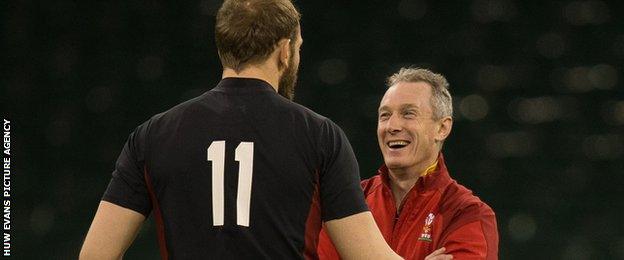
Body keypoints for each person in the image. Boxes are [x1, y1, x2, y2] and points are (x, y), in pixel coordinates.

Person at [79, 0, 401, 259]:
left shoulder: (151, 136)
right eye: (299, 46)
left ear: (223, 49)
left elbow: (96, 254)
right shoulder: (320, 136)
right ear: (285, 51)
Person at [317, 68, 499, 260]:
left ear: (442, 128)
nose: (392, 126)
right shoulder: (348, 202)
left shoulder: (467, 214)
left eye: (408, 114)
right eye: (385, 115)